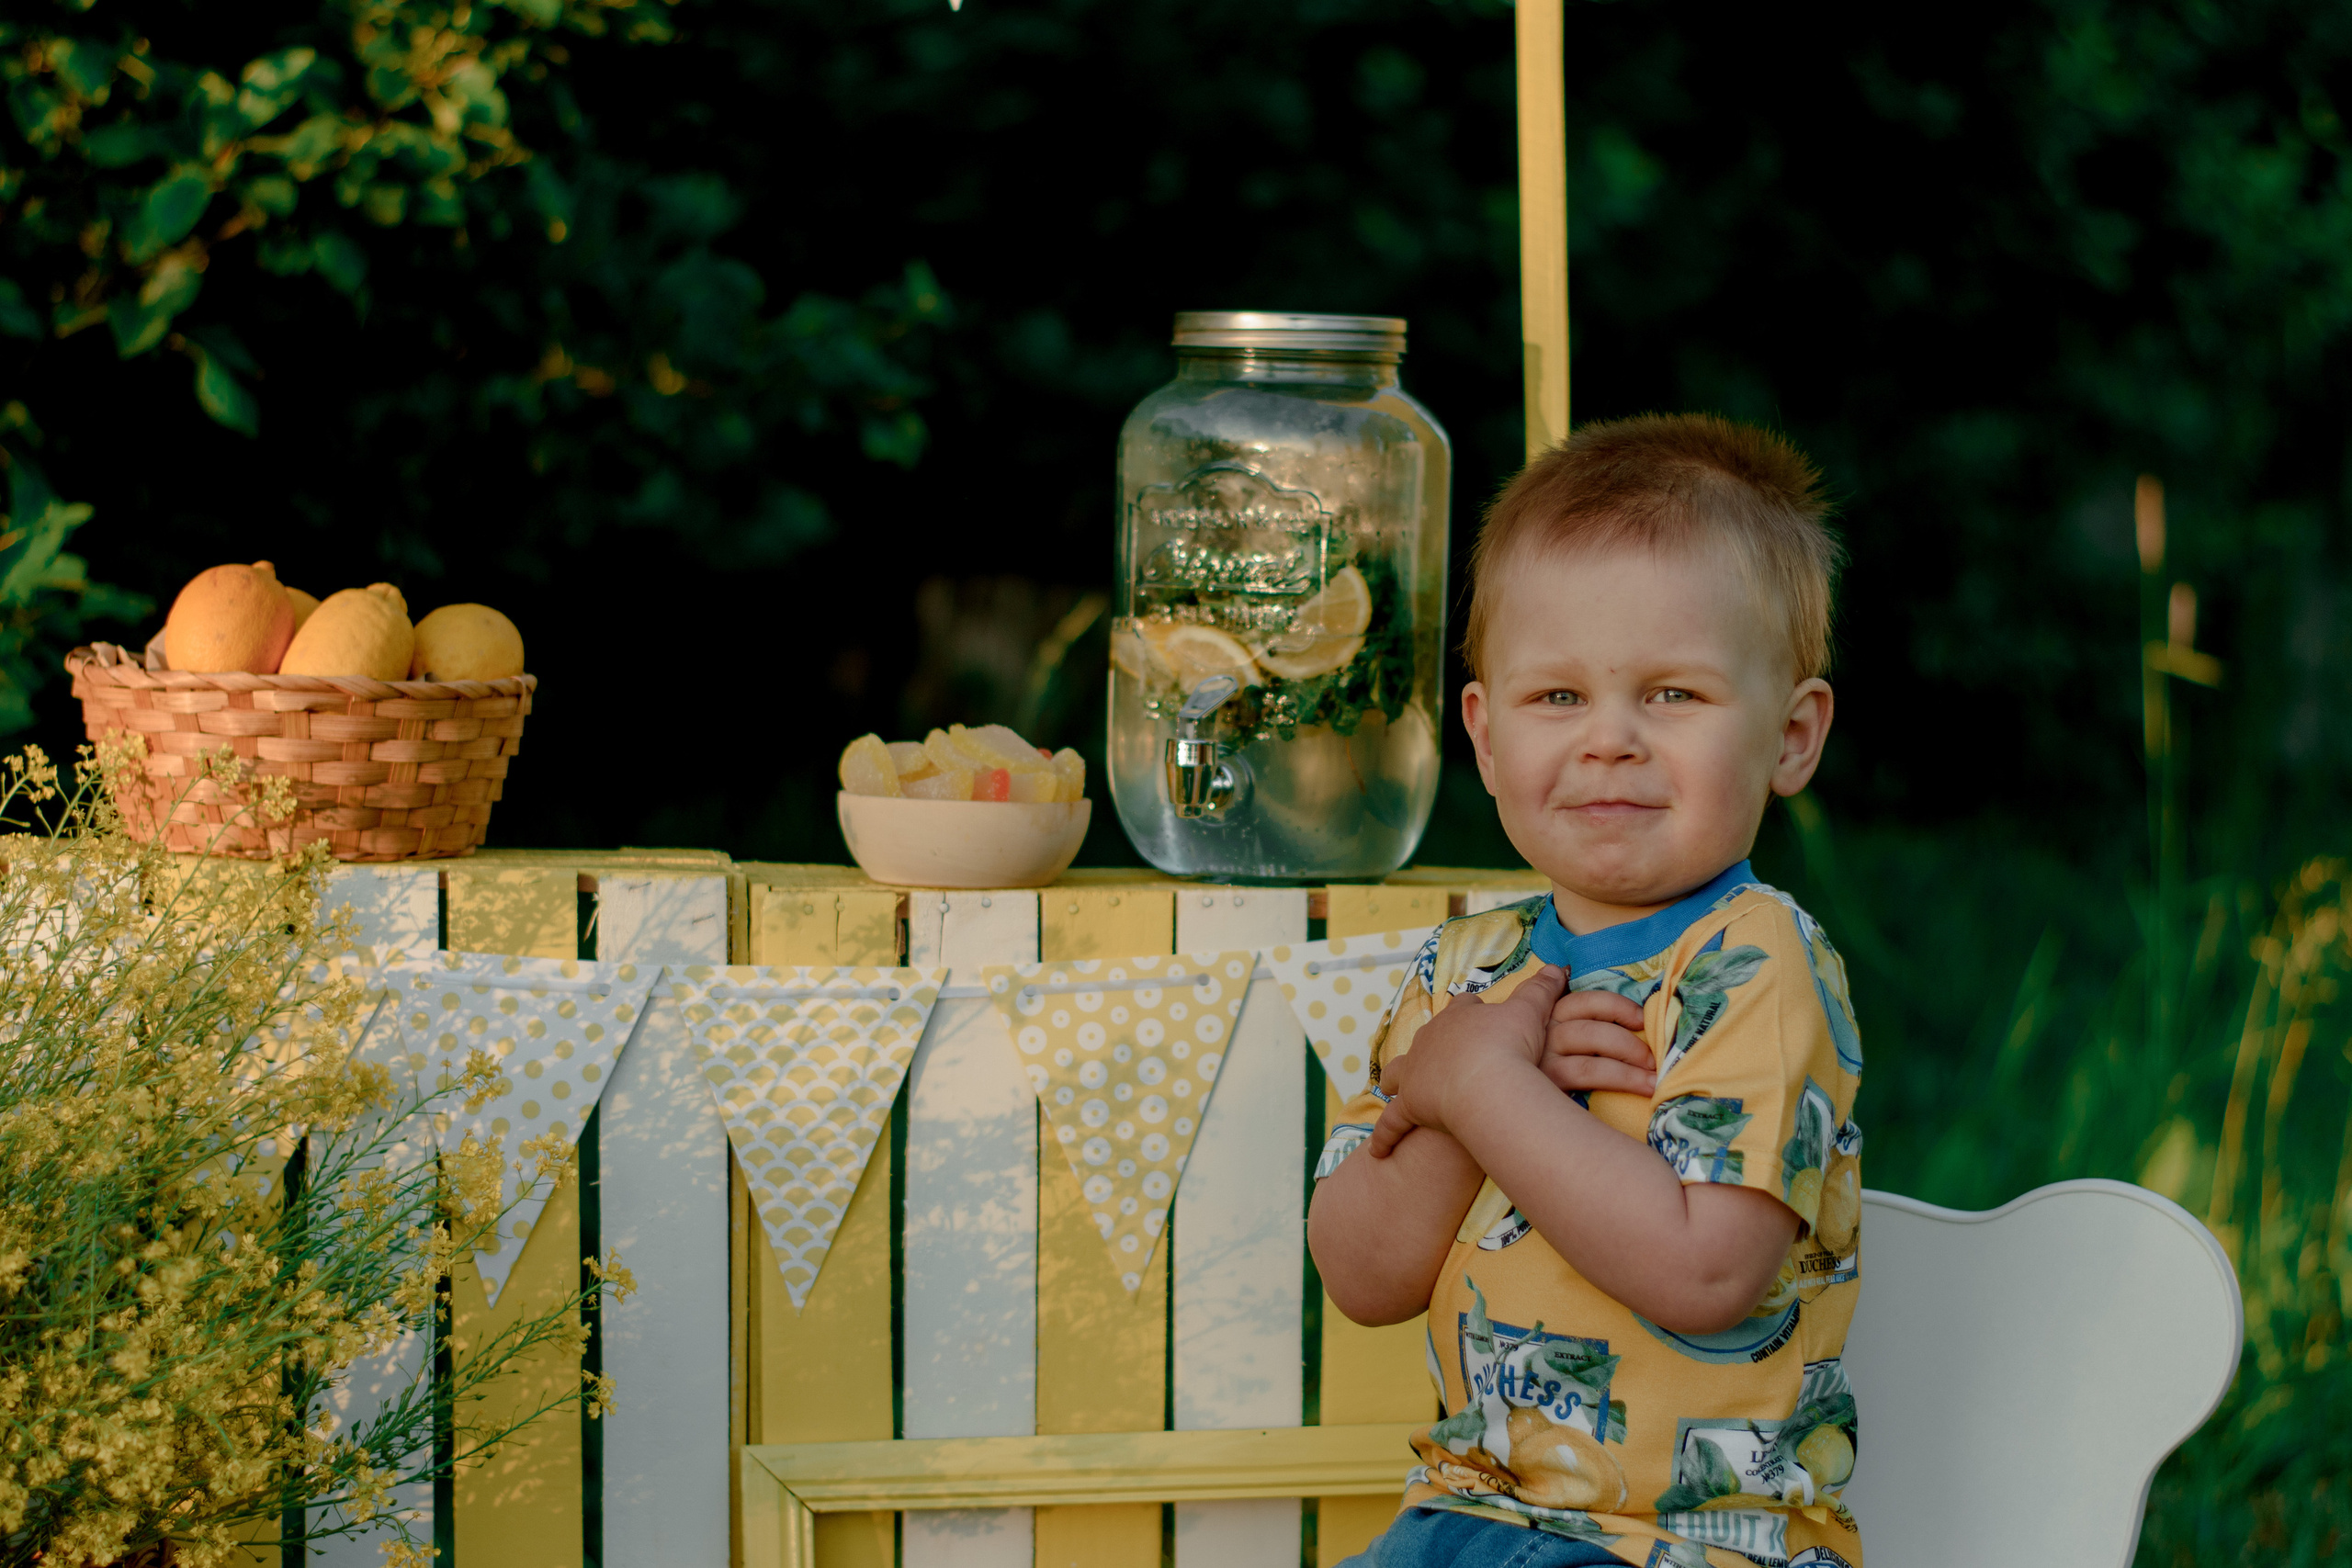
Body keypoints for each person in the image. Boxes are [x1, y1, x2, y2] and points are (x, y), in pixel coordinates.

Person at [1308, 413, 1866, 1568]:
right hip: (1463, 1514)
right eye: (1557, 698)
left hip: (1683, 1542)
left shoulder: (1752, 962)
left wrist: (1487, 1091)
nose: (1609, 740)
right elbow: (1361, 1274)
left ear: (1790, 737)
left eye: (1671, 695)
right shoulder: (1464, 972)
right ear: (1486, 735)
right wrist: (1470, 1095)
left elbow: (1701, 1270)